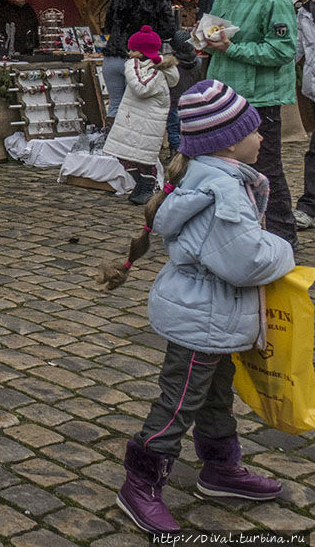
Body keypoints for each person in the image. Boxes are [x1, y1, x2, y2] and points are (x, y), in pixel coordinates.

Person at [101, 80, 293, 535]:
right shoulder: (222, 191)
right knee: (178, 403)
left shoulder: (209, 175)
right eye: (255, 130)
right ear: (228, 142)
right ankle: (140, 483)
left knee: (213, 395)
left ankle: (220, 468)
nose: (263, 136)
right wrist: (283, 249)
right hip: (202, 319)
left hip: (212, 316)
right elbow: (245, 260)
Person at [204, 0, 299, 249]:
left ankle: (283, 236)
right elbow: (211, 36)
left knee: (267, 167)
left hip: (260, 100)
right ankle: (237, 230)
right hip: (226, 96)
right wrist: (197, 41)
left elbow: (283, 52)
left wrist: (231, 48)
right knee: (225, 167)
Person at [102, 26, 180, 204]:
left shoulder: (155, 70)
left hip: (147, 121)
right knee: (123, 153)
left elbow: (141, 88)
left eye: (133, 50)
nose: (129, 54)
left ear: (143, 51)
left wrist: (131, 66)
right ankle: (141, 184)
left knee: (143, 156)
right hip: (133, 117)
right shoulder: (147, 66)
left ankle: (147, 185)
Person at [101, 0, 181, 119]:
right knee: (137, 111)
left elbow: (108, 25)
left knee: (115, 105)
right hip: (141, 61)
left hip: (112, 58)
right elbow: (168, 30)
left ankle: (110, 141)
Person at [292, 0, 315, 231]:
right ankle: (309, 206)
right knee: (314, 151)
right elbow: (294, 50)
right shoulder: (304, 13)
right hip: (313, 90)